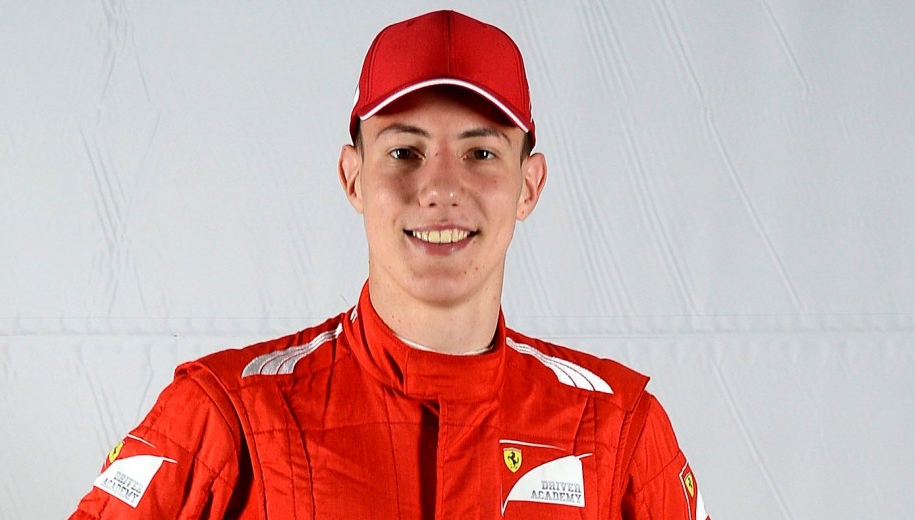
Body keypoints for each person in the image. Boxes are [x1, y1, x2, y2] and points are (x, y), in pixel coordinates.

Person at [70, 9, 710, 519]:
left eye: (481, 154)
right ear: (353, 177)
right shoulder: (229, 414)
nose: (441, 188)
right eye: (405, 152)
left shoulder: (617, 429)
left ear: (529, 185)